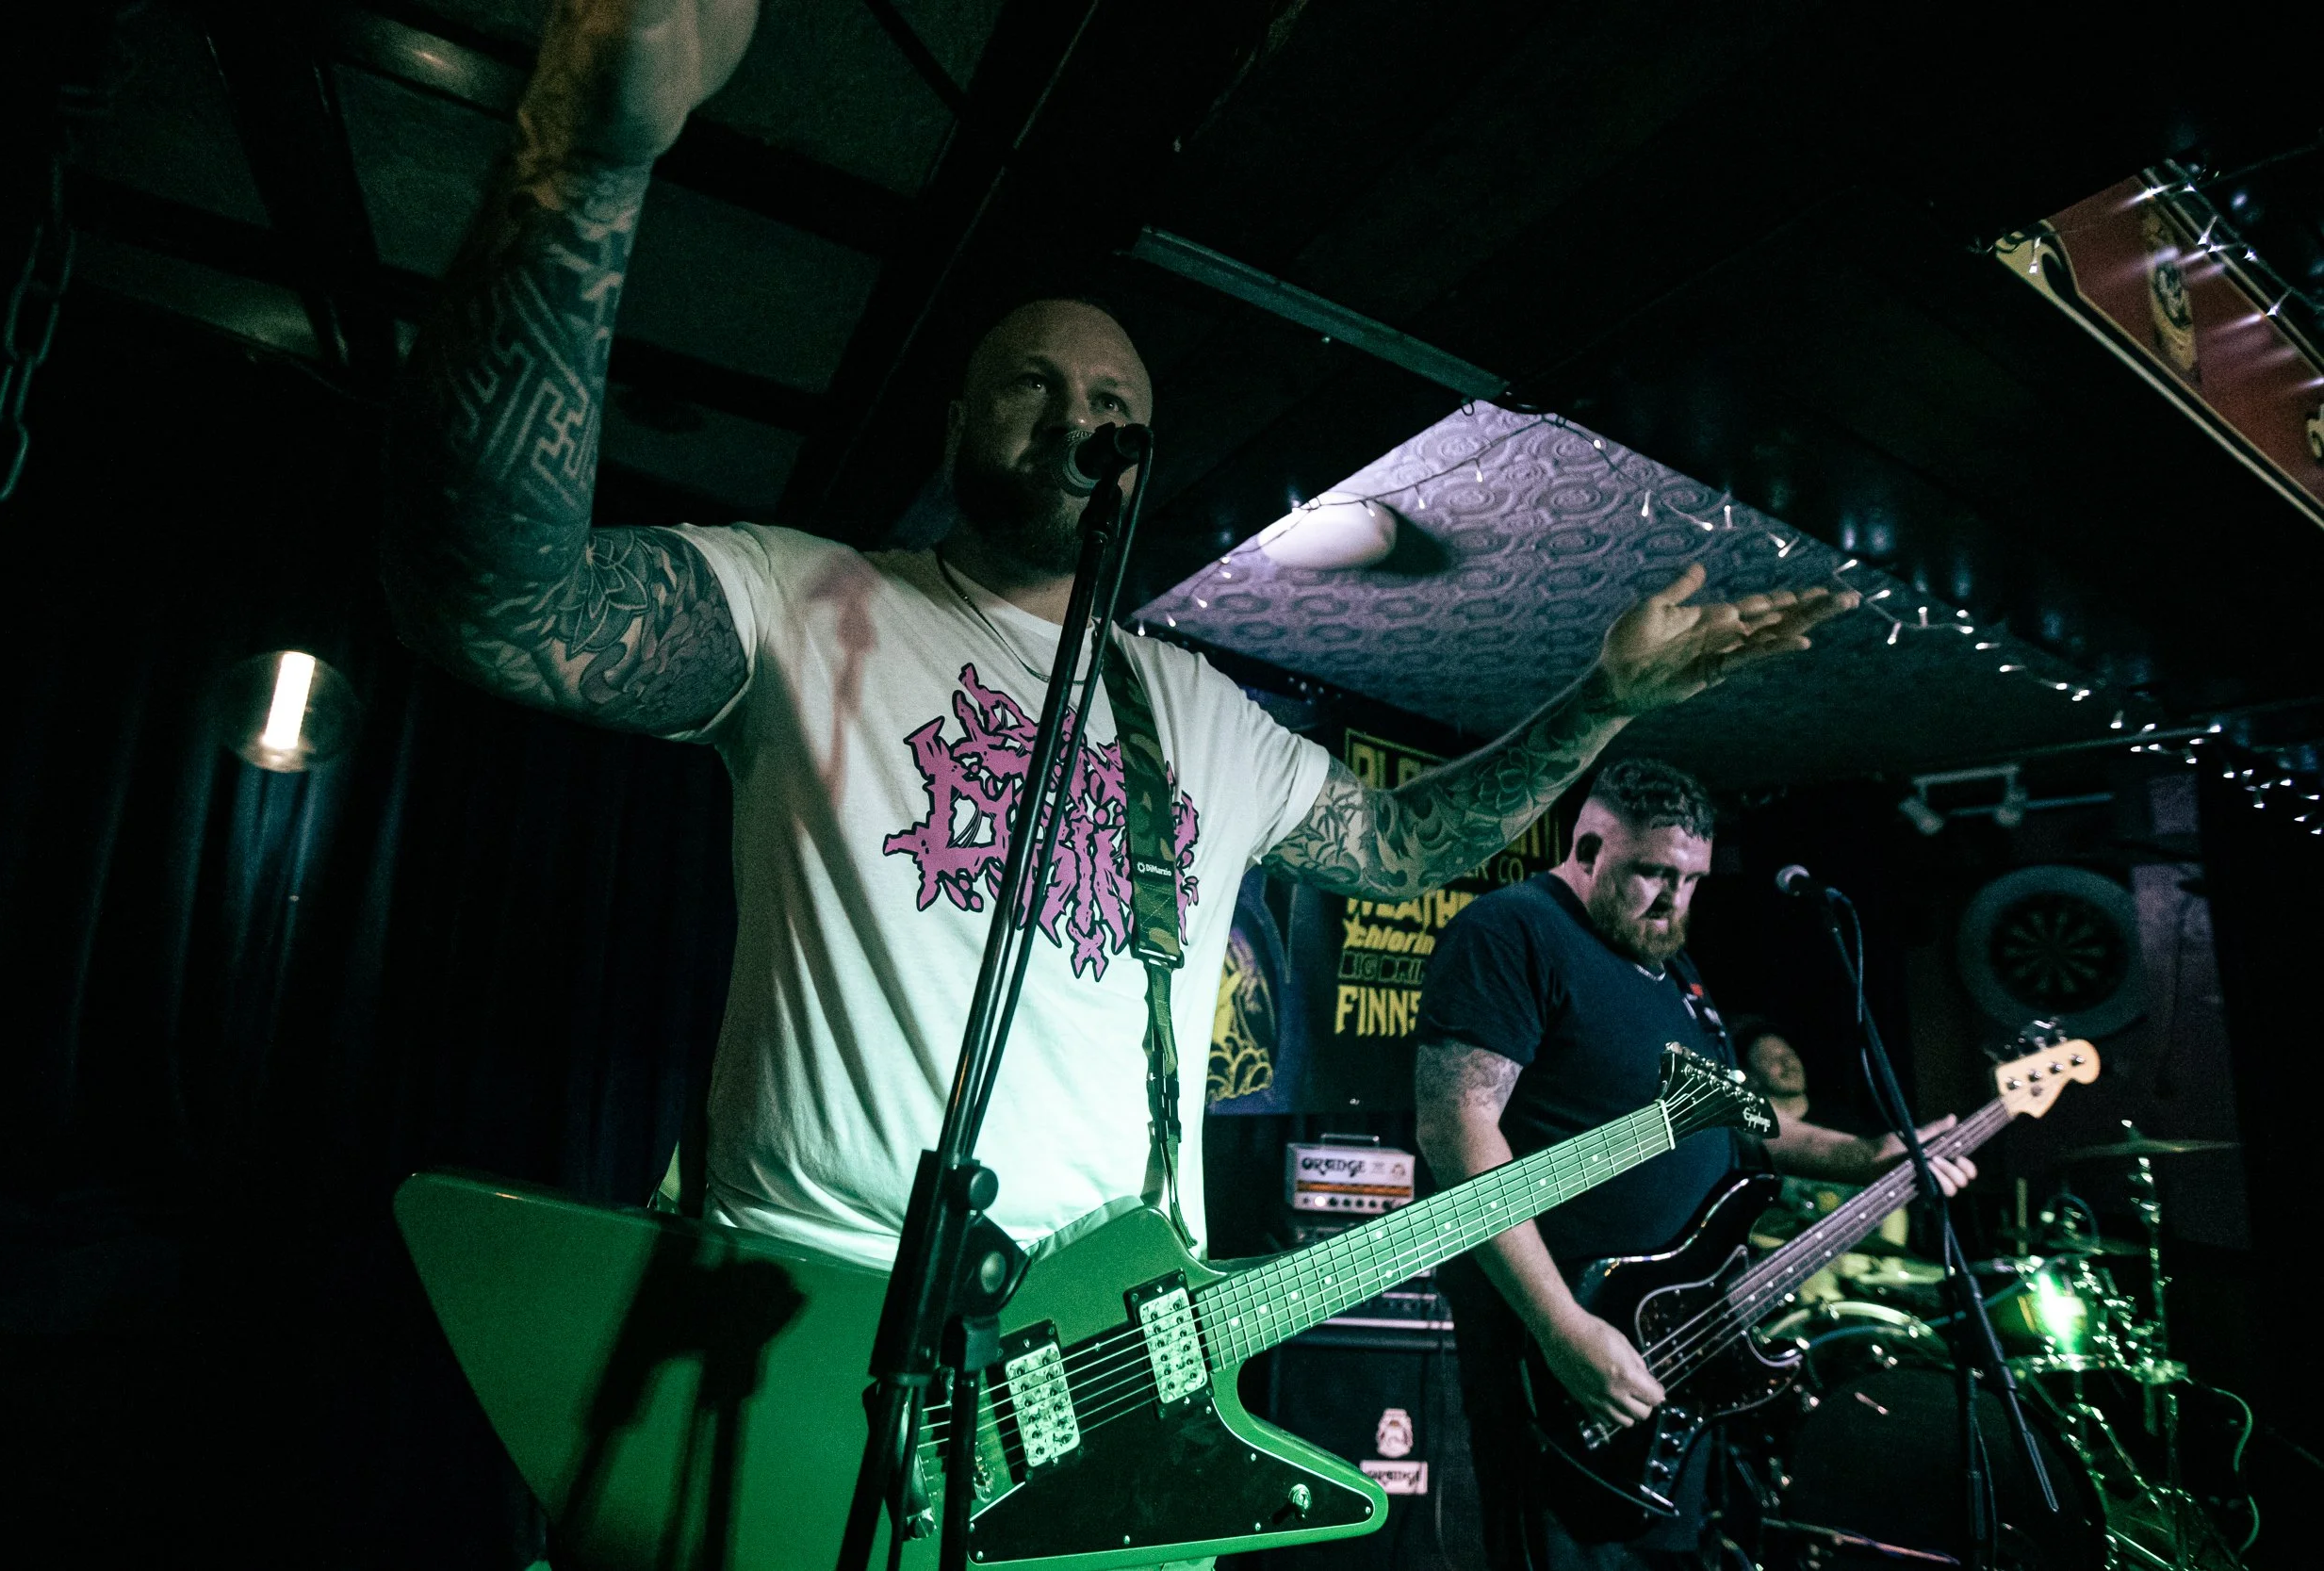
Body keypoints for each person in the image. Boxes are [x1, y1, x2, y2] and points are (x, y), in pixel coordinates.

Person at [378, 0, 1854, 1273]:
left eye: (1113, 407)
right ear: (952, 422)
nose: (1080, 416)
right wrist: (586, 153)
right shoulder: (806, 599)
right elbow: (505, 605)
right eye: (1033, 385)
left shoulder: (1195, 710)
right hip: (807, 1314)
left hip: (1108, 1360)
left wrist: (1600, 696)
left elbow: (1402, 848)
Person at [1414, 761, 1972, 1571]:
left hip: (1675, 1348)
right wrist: (1560, 1324)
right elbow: (1457, 1130)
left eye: (1692, 879)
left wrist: (1863, 1155)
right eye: (1653, 873)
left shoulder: (1668, 970)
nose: (1674, 899)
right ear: (1588, 846)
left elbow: (1731, 1113)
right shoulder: (1514, 930)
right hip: (1558, 1359)